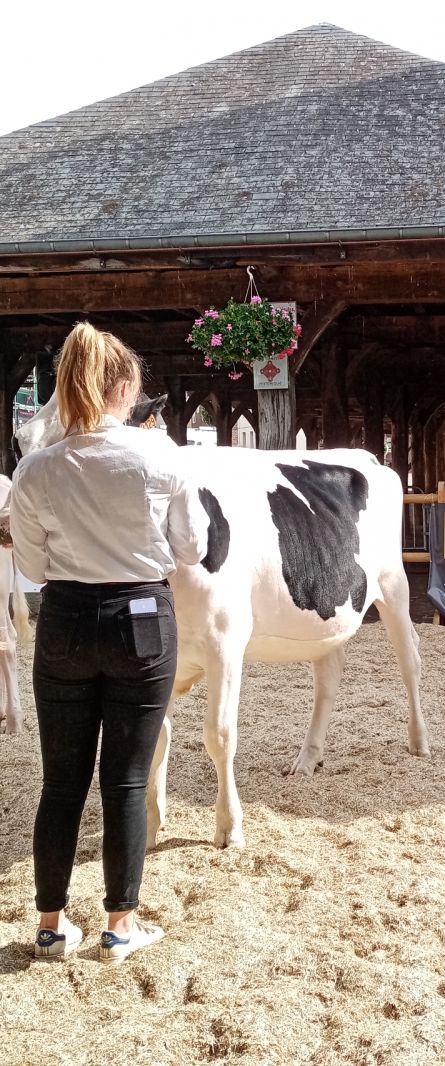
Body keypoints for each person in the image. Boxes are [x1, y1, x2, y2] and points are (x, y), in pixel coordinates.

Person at [11, 321, 208, 962]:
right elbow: (193, 548)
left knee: (60, 782)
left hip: (66, 617)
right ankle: (120, 925)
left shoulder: (37, 469)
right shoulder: (161, 456)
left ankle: (49, 924)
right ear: (123, 386)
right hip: (143, 615)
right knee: (125, 781)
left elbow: (35, 570)